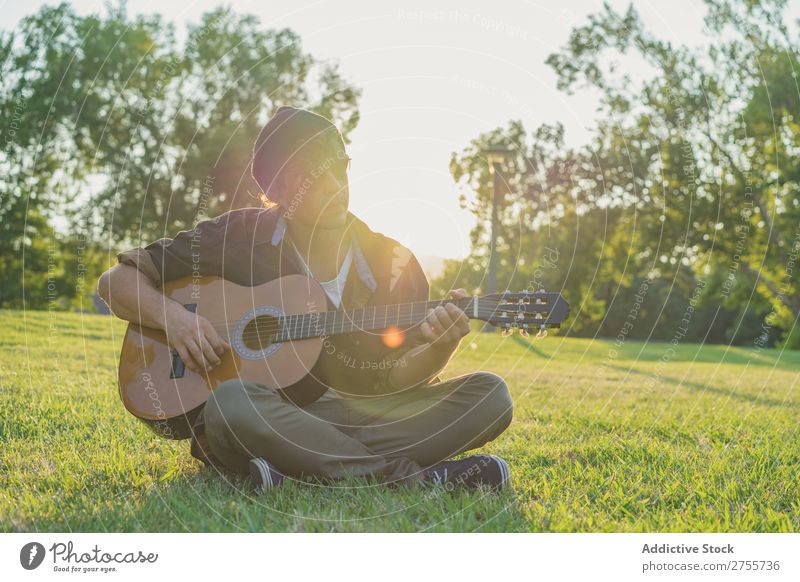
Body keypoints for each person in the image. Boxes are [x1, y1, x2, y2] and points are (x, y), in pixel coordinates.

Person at [97, 106, 514, 492]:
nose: (334, 187)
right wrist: (176, 320)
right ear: (279, 189)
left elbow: (395, 379)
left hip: (366, 420)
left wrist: (441, 344)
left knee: (491, 396)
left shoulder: (394, 263)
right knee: (231, 403)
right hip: (270, 417)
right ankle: (404, 479)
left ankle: (299, 469)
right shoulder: (236, 237)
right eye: (313, 175)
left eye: (340, 169)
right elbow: (116, 282)